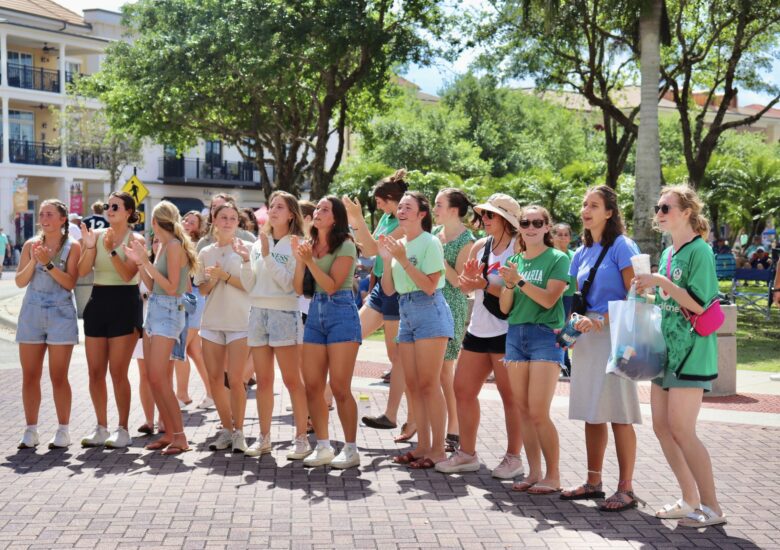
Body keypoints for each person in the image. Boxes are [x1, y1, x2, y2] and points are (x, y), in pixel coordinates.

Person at [633, 185, 726, 527]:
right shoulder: (671, 252)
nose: (658, 213)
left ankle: (713, 507)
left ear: (686, 212)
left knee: (683, 430)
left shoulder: (699, 251)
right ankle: (690, 499)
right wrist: (649, 293)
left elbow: (700, 304)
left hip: (692, 350)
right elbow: (671, 302)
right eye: (658, 207)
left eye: (665, 207)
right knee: (662, 426)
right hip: (667, 348)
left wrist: (660, 281)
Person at [560, 185, 643, 512]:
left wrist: (601, 321)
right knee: (592, 413)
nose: (586, 210)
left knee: (620, 414)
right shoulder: (580, 252)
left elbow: (636, 296)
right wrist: (569, 325)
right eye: (584, 204)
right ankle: (593, 482)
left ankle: (626, 489)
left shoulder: (623, 246)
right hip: (586, 338)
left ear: (609, 212)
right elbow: (575, 297)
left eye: (594, 205)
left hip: (614, 336)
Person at [435, 194, 524, 480]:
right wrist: (469, 281)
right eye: (483, 215)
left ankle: (513, 457)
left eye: (490, 216)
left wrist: (483, 283)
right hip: (478, 328)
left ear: (507, 221)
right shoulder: (479, 245)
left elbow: (519, 292)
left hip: (507, 330)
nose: (484, 220)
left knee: (510, 397)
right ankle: (467, 453)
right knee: (463, 390)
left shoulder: (518, 248)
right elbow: (464, 286)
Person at [379, 191, 453, 469]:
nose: (401, 211)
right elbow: (388, 289)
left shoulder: (429, 242)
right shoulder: (398, 245)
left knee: (429, 384)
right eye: (399, 207)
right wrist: (388, 261)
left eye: (408, 207)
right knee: (413, 385)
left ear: (422, 214)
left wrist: (403, 259)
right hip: (405, 310)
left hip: (428, 309)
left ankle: (438, 450)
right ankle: (422, 446)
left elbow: (430, 285)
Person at [234, 191, 311, 459]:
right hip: (258, 312)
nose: (274, 210)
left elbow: (290, 285)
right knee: (264, 381)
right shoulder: (259, 242)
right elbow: (249, 284)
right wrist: (246, 260)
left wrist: (266, 256)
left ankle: (302, 439)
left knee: (292, 380)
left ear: (292, 214)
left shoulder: (297, 243)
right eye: (272, 206)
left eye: (281, 206)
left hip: (284, 314)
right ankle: (264, 438)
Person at [498, 205, 569, 494]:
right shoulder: (515, 260)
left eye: (537, 222)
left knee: (539, 412)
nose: (530, 227)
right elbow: (505, 308)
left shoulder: (558, 258)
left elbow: (549, 300)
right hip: (515, 334)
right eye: (525, 222)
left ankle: (553, 476)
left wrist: (520, 281)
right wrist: (507, 285)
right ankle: (534, 472)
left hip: (543, 336)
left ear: (546, 227)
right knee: (524, 411)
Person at [343, 170, 413, 440]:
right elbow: (368, 246)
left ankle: (400, 416)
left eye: (381, 202)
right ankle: (322, 401)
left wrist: (358, 219)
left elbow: (372, 249)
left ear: (391, 199)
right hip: (380, 286)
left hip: (397, 288)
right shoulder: (386, 217)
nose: (379, 207)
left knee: (398, 358)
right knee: (351, 335)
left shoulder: (404, 221)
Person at [292, 196, 362, 469]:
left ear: (336, 218)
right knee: (312, 386)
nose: (318, 212)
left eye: (325, 209)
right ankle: (322, 445)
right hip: (315, 313)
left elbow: (332, 285)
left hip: (341, 311)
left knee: (340, 387)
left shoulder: (345, 244)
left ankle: (350, 448)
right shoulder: (310, 246)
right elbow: (299, 288)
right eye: (317, 208)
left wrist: (309, 262)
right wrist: (302, 261)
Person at [125, 201, 198, 455]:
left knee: (158, 378)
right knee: (155, 379)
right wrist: (140, 263)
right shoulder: (165, 246)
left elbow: (171, 286)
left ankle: (180, 436)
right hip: (155, 310)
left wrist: (147, 261)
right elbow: (152, 284)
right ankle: (170, 434)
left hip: (168, 312)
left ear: (155, 223)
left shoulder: (175, 246)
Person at [77, 192, 144, 448]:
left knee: (118, 372)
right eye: (107, 205)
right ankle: (101, 427)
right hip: (97, 302)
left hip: (125, 304)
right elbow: (82, 271)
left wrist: (111, 252)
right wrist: (91, 247)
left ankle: (123, 429)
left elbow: (128, 275)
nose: (109, 209)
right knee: (95, 372)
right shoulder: (95, 236)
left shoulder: (135, 239)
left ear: (128, 211)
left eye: (115, 206)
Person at [15, 200, 81, 449]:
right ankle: (31, 430)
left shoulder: (72, 247)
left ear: (63, 219)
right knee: (30, 375)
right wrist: (34, 260)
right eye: (41, 214)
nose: (44, 218)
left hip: (61, 314)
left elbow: (70, 283)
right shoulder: (31, 244)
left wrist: (49, 263)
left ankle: (63, 430)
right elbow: (21, 281)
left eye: (49, 214)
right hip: (31, 313)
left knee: (58, 376)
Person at [194, 203, 252, 453]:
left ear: (238, 223)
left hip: (240, 322)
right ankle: (226, 430)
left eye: (233, 218)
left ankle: (240, 432)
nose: (228, 222)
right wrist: (214, 278)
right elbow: (203, 289)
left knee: (236, 380)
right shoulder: (205, 251)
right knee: (216, 379)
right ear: (214, 222)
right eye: (223, 218)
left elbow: (252, 285)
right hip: (212, 323)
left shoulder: (248, 249)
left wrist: (225, 276)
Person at [432, 188, 475, 451]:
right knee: (435, 373)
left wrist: (436, 256)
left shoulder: (467, 240)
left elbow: (461, 283)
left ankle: (455, 429)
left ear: (453, 210)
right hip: (431, 303)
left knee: (446, 372)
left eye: (438, 204)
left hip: (453, 307)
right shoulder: (435, 236)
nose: (434, 209)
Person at [181, 210, 212, 409]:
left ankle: (182, 394)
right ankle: (212, 393)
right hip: (186, 297)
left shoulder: (197, 246)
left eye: (192, 222)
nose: (187, 223)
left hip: (193, 298)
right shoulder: (178, 241)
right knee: (194, 351)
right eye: (185, 220)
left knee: (180, 347)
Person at [551, 222, 575, 377]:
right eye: (559, 234)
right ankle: (561, 362)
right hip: (553, 296)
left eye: (566, 234)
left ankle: (565, 363)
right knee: (555, 329)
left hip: (569, 297)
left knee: (568, 329)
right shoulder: (550, 254)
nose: (563, 238)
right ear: (552, 236)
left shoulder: (574, 255)